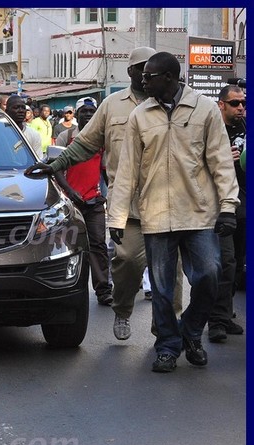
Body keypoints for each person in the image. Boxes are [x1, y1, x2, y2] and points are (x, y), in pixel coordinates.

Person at [24, 47, 185, 341]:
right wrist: (55, 165)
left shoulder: (171, 104)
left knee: (170, 270)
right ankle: (123, 310)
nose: (147, 72)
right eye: (141, 67)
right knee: (126, 262)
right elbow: (85, 144)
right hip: (130, 208)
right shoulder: (112, 105)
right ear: (131, 72)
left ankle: (167, 329)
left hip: (169, 205)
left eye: (152, 68)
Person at [107, 51, 239, 373]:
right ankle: (167, 345)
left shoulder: (204, 109)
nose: (142, 80)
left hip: (199, 214)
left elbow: (221, 163)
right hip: (156, 215)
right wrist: (117, 216)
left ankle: (191, 332)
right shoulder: (140, 115)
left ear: (168, 77)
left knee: (209, 275)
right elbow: (127, 171)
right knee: (163, 291)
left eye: (148, 76)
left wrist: (228, 207)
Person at [53, 97, 112, 307]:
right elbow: (56, 167)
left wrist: (111, 196)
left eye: (91, 111)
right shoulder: (65, 136)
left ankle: (104, 289)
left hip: (94, 201)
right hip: (70, 204)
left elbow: (106, 171)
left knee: (98, 245)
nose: (88, 115)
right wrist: (69, 191)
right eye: (84, 111)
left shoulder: (102, 141)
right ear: (77, 115)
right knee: (68, 247)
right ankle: (65, 289)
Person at [208, 84, 246, 342]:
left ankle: (226, 312)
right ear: (221, 104)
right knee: (225, 262)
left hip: (244, 205)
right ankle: (216, 321)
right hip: (221, 206)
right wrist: (220, 159)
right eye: (234, 103)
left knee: (237, 264)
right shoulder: (212, 130)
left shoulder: (246, 129)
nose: (241, 107)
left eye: (243, 102)